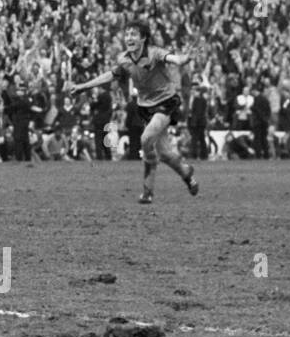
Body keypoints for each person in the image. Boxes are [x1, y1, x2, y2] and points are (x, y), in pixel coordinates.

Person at [66, 21, 199, 204]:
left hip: (166, 102)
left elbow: (175, 60)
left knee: (146, 139)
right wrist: (83, 87)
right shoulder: (124, 59)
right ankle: (186, 173)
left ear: (143, 38)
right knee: (165, 153)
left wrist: (185, 58)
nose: (129, 37)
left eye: (133, 34)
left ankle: (147, 191)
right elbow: (110, 75)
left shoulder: (155, 53)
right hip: (145, 107)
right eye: (127, 34)